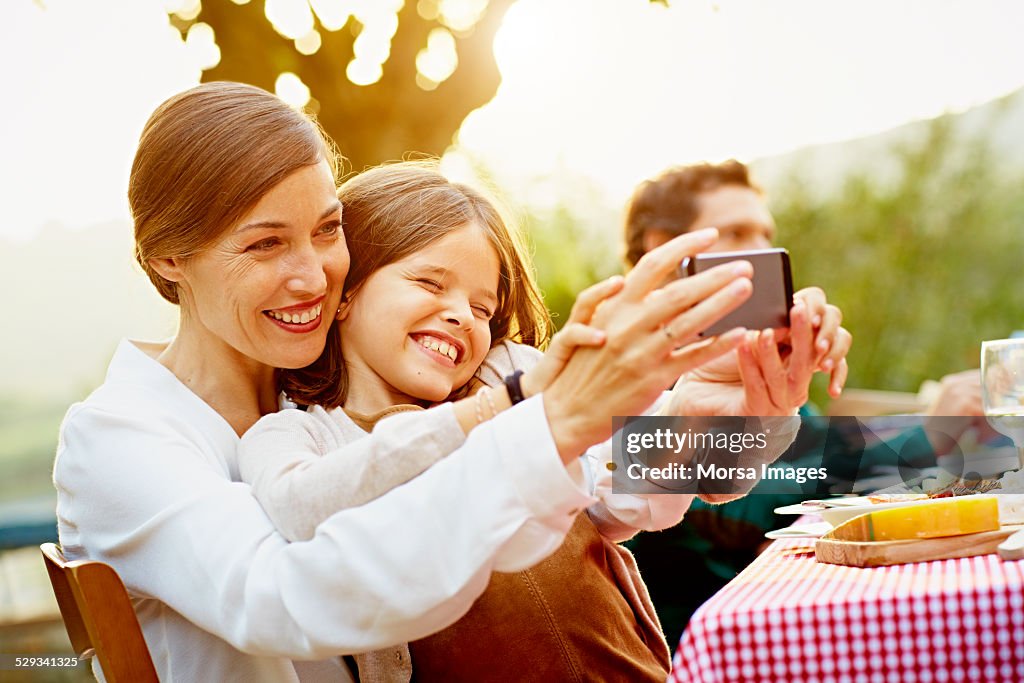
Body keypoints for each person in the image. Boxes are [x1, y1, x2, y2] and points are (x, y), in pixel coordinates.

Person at [52, 83, 845, 682]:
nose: (311, 275)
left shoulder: (320, 391)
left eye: (329, 230)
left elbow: (635, 484)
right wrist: (526, 412)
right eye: (264, 244)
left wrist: (735, 405)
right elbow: (284, 594)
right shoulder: (128, 437)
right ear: (169, 257)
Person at [622, 159, 985, 644]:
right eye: (735, 233)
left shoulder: (743, 351)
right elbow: (763, 505)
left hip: (805, 621)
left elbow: (818, 453)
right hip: (716, 650)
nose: (761, 251)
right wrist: (932, 430)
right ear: (663, 249)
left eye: (765, 233)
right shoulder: (631, 374)